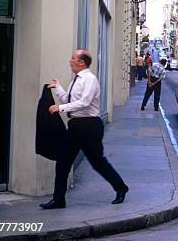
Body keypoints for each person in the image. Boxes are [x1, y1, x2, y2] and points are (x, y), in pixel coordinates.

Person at [40, 50, 128, 209]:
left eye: (73, 58)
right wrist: (58, 88)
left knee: (97, 162)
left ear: (81, 63)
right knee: (63, 162)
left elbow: (85, 102)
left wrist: (60, 108)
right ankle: (59, 200)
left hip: (90, 126)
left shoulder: (90, 79)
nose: (70, 60)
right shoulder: (77, 80)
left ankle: (121, 187)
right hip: (76, 125)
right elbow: (68, 99)